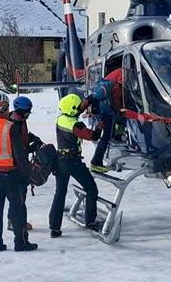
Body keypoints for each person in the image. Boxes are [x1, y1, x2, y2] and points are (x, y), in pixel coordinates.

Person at [0, 92, 38, 252]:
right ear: (5, 108)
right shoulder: (10, 127)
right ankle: (20, 242)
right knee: (18, 209)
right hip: (11, 175)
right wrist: (26, 174)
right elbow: (18, 153)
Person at [49, 93, 102, 238]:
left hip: (60, 160)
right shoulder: (76, 125)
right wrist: (100, 126)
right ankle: (90, 221)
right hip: (72, 162)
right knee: (91, 189)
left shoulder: (61, 119)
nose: (81, 108)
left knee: (60, 193)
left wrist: (87, 102)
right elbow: (93, 136)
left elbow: (74, 110)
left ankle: (54, 227)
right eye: (79, 107)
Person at [7, 96, 41, 234]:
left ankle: (15, 220)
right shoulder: (12, 124)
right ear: (20, 111)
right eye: (27, 111)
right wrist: (31, 149)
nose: (29, 114)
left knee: (22, 193)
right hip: (15, 164)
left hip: (22, 161)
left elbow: (24, 135)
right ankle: (15, 222)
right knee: (18, 194)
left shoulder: (21, 121)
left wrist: (33, 138)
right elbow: (17, 150)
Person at [89, 68, 124, 173]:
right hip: (107, 112)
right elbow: (115, 98)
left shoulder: (111, 79)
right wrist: (119, 110)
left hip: (102, 110)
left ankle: (116, 137)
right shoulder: (119, 82)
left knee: (106, 135)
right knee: (105, 137)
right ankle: (96, 162)